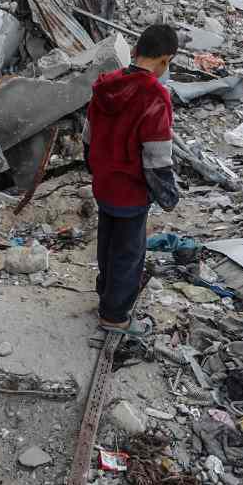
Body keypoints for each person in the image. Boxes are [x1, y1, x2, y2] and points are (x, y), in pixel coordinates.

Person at [84, 24, 180, 336]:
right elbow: (156, 157)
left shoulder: (105, 85)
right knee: (129, 252)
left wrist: (97, 169)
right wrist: (167, 194)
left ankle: (105, 294)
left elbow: (88, 137)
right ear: (165, 60)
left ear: (137, 51)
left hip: (104, 183)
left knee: (107, 243)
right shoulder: (155, 97)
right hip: (131, 190)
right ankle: (115, 316)